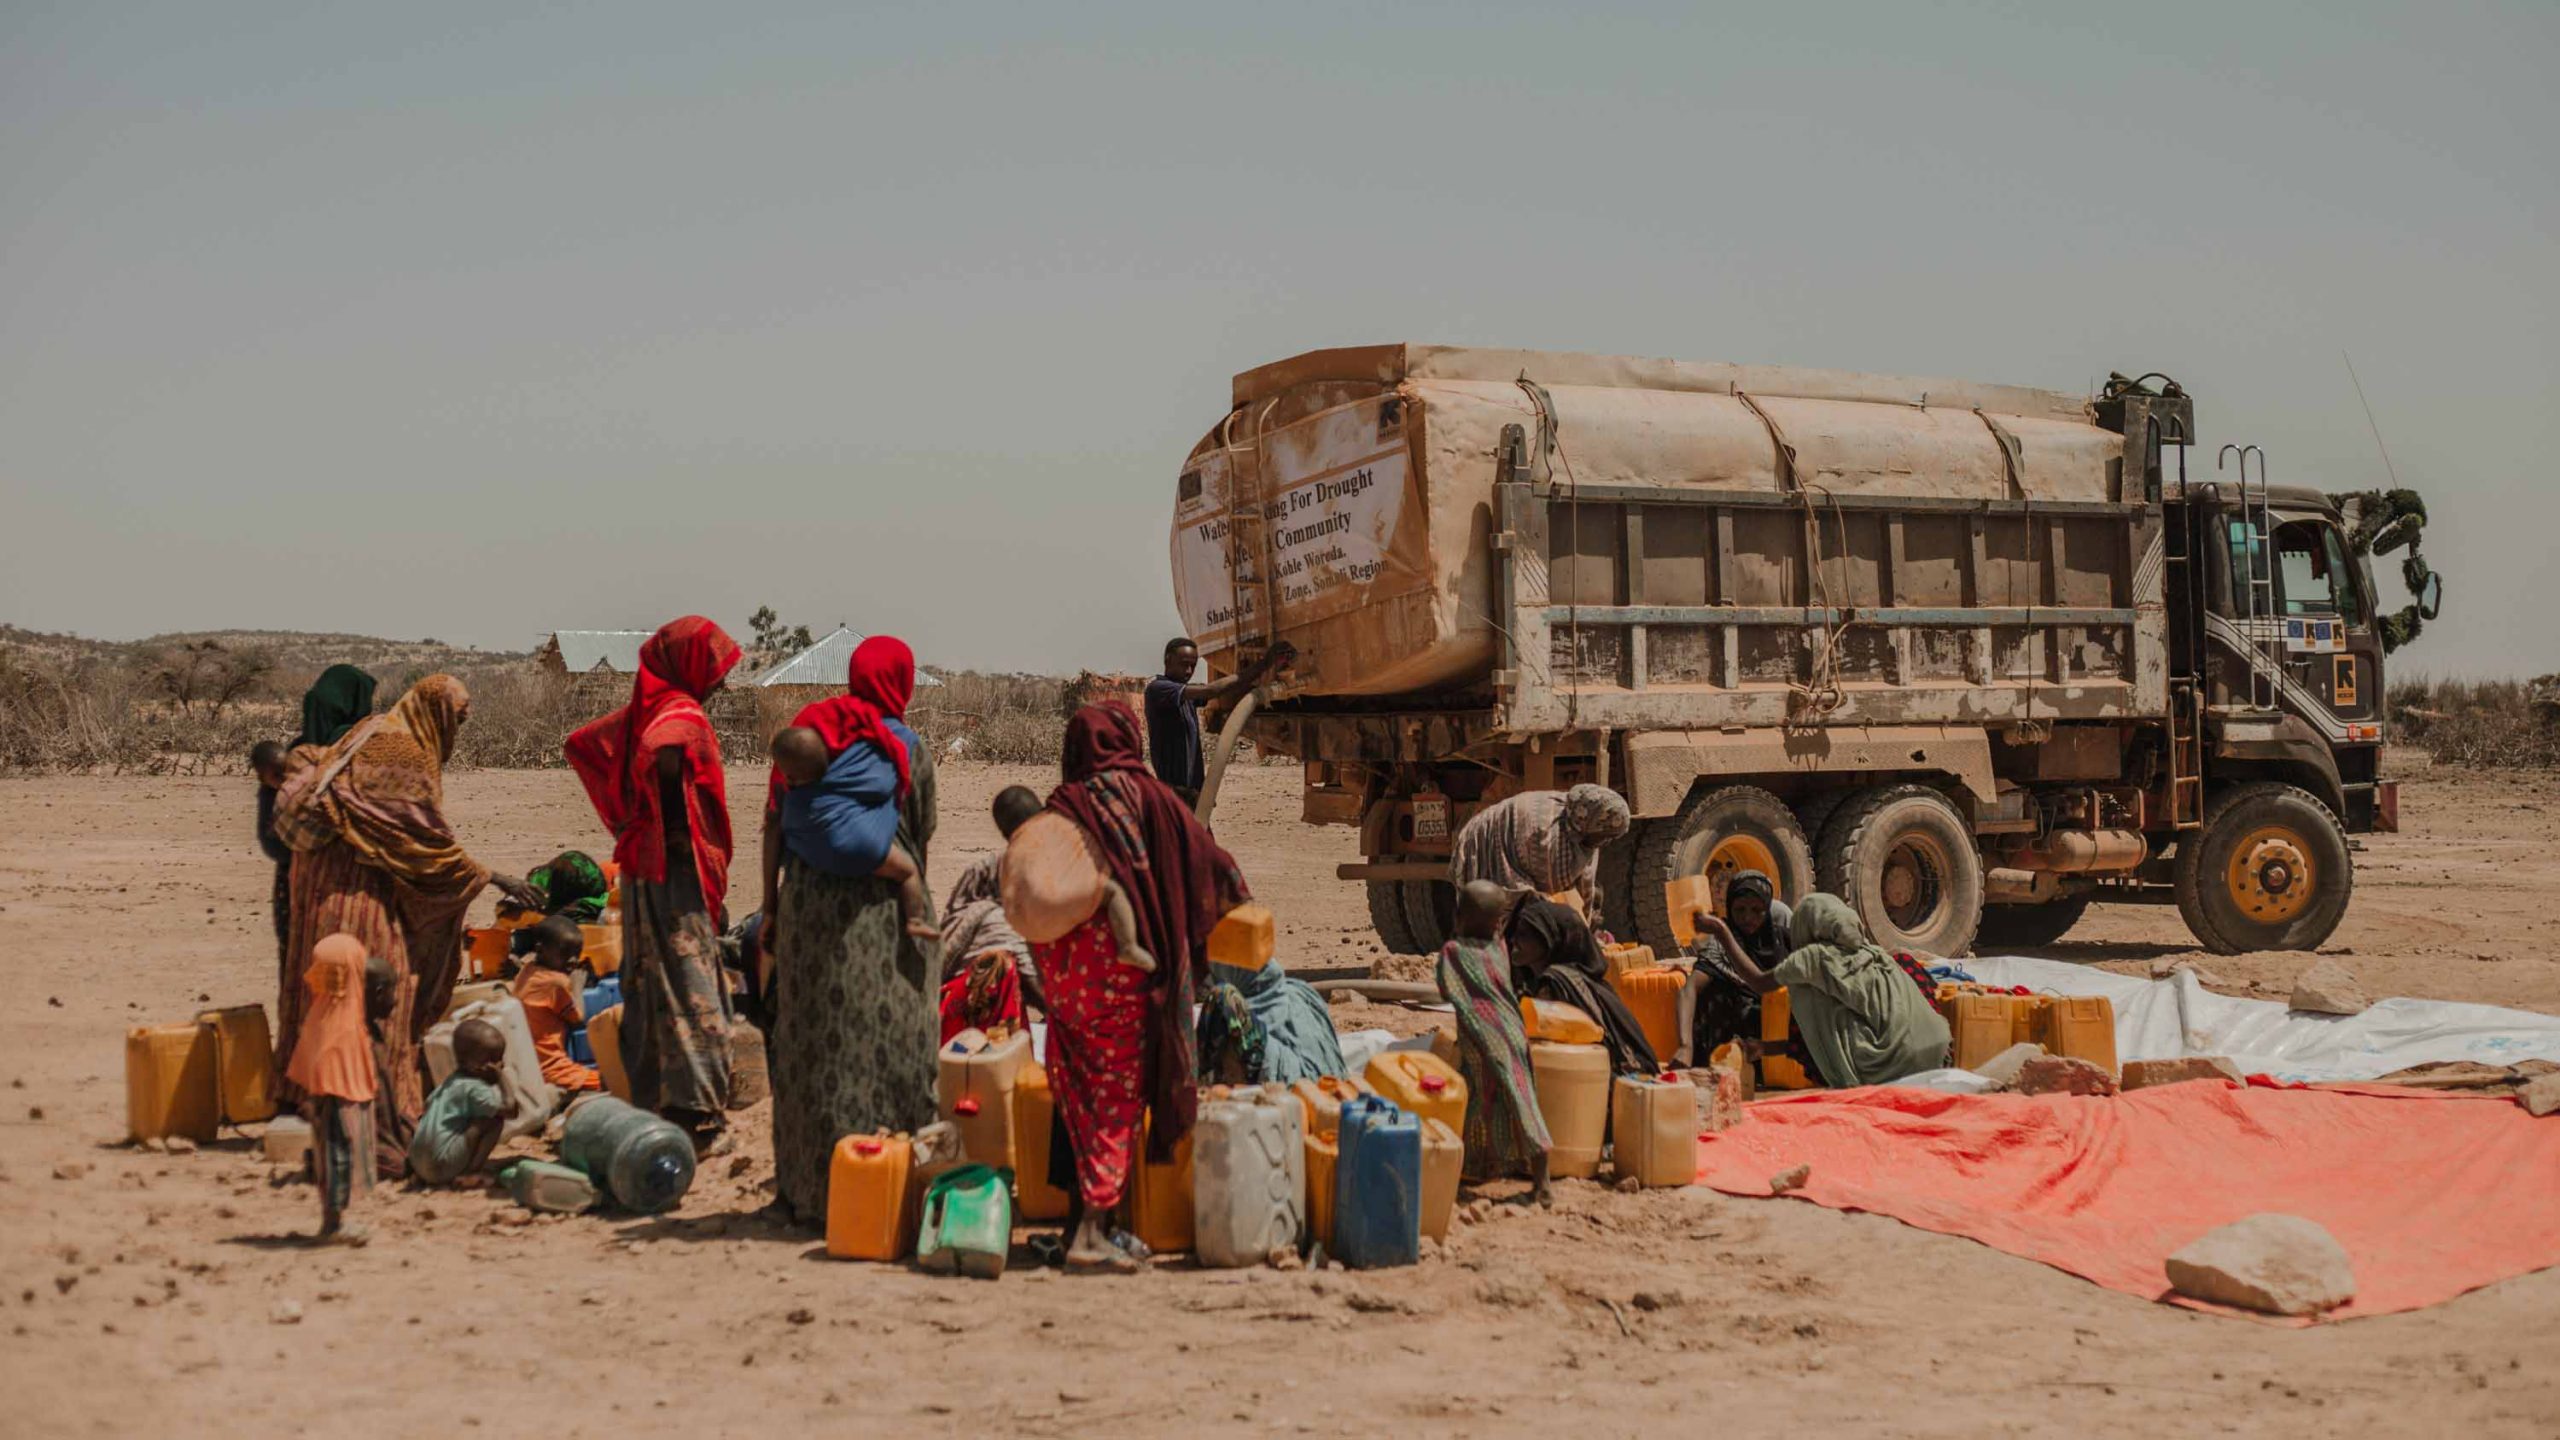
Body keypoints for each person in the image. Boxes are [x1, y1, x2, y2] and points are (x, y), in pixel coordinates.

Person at [272, 675, 537, 1177]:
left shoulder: (374, 730)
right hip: (355, 886)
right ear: (434, 711)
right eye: (457, 718)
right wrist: (494, 878)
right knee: (380, 994)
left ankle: (332, 1117)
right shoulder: (403, 753)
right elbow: (424, 843)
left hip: (324, 880)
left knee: (336, 993)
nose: (460, 727)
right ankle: (379, 1125)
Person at [1033, 701, 1249, 1273]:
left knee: (1077, 1095)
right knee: (1115, 1102)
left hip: (1066, 978)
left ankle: (1081, 1223)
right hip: (1125, 977)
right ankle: (1088, 1235)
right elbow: (1213, 865)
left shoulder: (1063, 804)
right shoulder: (1149, 797)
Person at [759, 635, 941, 1227]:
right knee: (897, 1043)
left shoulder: (808, 738)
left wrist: (771, 909)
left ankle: (810, 1191)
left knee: (811, 1048)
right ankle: (887, 1189)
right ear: (903, 682)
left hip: (807, 914)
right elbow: (921, 830)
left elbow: (773, 828)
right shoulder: (904, 748)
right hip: (882, 917)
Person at [564, 617, 743, 1153]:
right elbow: (666, 751)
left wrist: (629, 820)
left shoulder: (648, 708)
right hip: (672, 869)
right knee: (690, 983)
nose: (720, 682)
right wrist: (674, 831)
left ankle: (651, 1097)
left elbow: (584, 743)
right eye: (714, 668)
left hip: (644, 865)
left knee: (648, 975)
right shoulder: (678, 713)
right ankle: (696, 1113)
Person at [1686, 893, 1951, 1088]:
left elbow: (1759, 983)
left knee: (1804, 992)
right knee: (1836, 997)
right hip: (1938, 1053)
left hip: (1888, 1066)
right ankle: (1765, 1048)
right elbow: (1841, 1026)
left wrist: (1721, 932)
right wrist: (1767, 1048)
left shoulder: (1813, 958)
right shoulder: (1874, 953)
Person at [256, 665, 378, 1050]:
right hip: (352, 893)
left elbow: (271, 837)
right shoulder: (353, 754)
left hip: (300, 888)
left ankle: (308, 1065)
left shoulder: (309, 756)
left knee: (309, 975)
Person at [1436, 879, 1551, 1202]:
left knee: (1514, 1101)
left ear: (1459, 918)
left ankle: (1542, 1183)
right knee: (1485, 1099)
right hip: (1513, 1031)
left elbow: (1447, 988)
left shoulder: (1453, 952)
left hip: (1484, 1037)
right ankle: (1481, 1166)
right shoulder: (1499, 947)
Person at [770, 725, 937, 941]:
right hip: (862, 846)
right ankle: (916, 920)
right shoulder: (852, 780)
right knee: (908, 871)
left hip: (821, 858)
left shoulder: (792, 803)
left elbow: (782, 833)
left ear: (789, 777)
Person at [284, 934, 387, 1244]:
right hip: (338, 1102)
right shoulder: (343, 1020)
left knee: (331, 1157)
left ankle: (334, 1220)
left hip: (326, 1100)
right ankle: (333, 1225)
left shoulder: (321, 1012)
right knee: (337, 1158)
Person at [1503, 895, 1658, 1077]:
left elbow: (1542, 1053)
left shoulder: (1556, 984)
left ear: (1550, 940)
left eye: (1524, 935)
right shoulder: (1583, 983)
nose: (1513, 940)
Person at [1141, 637, 1294, 804]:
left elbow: (1224, 693)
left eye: (1193, 666)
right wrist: (1264, 663)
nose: (1189, 671)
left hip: (1192, 793)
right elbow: (1211, 690)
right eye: (1184, 664)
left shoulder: (1185, 696)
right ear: (1167, 660)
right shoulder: (1159, 689)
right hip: (1175, 795)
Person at [1447, 784, 1633, 915]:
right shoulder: (1545, 834)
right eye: (1604, 835)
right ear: (1591, 823)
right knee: (1511, 910)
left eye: (1611, 837)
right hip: (1487, 844)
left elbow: (1583, 883)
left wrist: (1586, 922)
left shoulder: (1583, 824)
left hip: (1518, 843)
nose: (1606, 842)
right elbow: (1549, 892)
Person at [1674, 869, 1792, 1065]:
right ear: (1729, 907)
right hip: (1731, 1047)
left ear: (1768, 908)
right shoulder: (1721, 943)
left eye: (1757, 910)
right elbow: (1689, 989)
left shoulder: (1784, 941)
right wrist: (1685, 1046)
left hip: (1775, 1049)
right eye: (1740, 910)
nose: (1748, 918)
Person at [408, 1018, 519, 1187]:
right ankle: (470, 1173)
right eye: (495, 1061)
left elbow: (428, 1105)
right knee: (494, 1120)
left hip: (418, 1165)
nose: (500, 1064)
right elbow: (512, 1110)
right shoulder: (474, 1089)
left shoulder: (450, 1083)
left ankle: (433, 1172)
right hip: (441, 1166)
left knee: (471, 1119)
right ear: (476, 1065)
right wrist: (501, 1077)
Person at [511, 915, 601, 1094]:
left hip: (526, 1065)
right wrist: (577, 986)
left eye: (576, 953)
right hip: (551, 1068)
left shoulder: (527, 970)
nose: (573, 960)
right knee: (610, 1082)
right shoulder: (556, 982)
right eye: (565, 953)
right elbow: (577, 1018)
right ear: (540, 950)